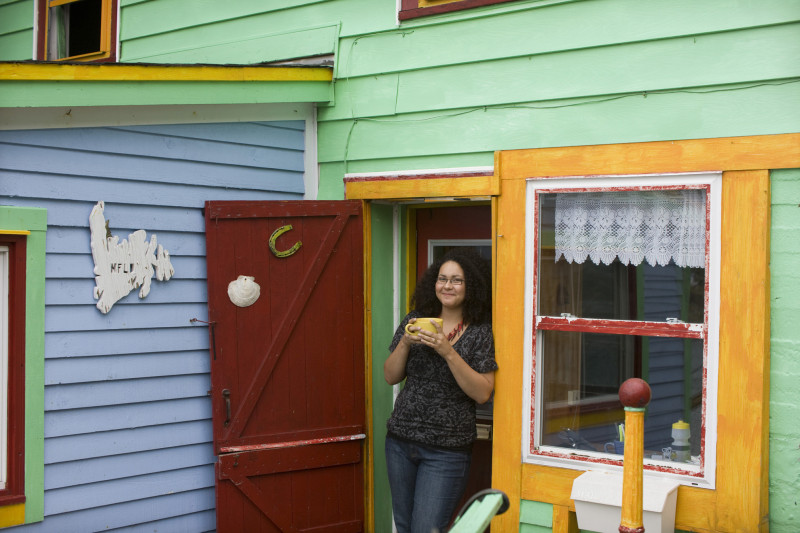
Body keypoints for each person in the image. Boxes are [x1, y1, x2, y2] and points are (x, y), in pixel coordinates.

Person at [384, 248, 498, 533]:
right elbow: (390, 376)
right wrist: (406, 343)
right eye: (442, 278)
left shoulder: (480, 331)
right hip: (400, 442)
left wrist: (448, 352)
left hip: (446, 451)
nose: (447, 286)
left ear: (471, 285)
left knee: (426, 528)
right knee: (404, 526)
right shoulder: (416, 318)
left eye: (457, 280)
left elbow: (483, 393)